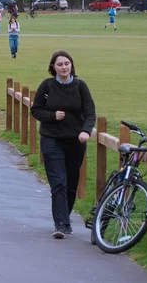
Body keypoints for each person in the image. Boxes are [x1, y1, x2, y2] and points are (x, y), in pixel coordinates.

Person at [31, 50, 96, 239]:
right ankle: (61, 224)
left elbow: (90, 112)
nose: (64, 67)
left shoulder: (80, 86)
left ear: (71, 65)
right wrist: (53, 116)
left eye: (66, 63)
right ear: (53, 67)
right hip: (52, 139)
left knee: (70, 184)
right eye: (59, 64)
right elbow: (36, 110)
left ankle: (63, 217)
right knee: (58, 182)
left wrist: (85, 130)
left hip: (75, 141)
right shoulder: (47, 86)